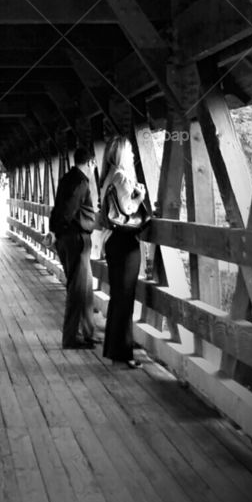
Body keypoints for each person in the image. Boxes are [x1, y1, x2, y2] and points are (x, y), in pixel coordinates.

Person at [99, 135, 148, 368]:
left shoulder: (108, 176)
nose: (133, 155)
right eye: (130, 152)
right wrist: (141, 198)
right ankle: (123, 355)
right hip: (126, 243)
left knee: (118, 297)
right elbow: (128, 210)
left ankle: (115, 351)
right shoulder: (121, 176)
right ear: (120, 154)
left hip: (113, 242)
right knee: (124, 299)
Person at [49, 146, 98, 349]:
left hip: (67, 238)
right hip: (75, 239)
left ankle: (89, 333)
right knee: (77, 289)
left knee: (85, 288)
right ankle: (70, 338)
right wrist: (59, 231)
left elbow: (57, 207)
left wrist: (53, 231)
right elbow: (68, 211)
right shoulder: (80, 182)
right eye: (94, 164)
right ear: (90, 163)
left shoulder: (66, 178)